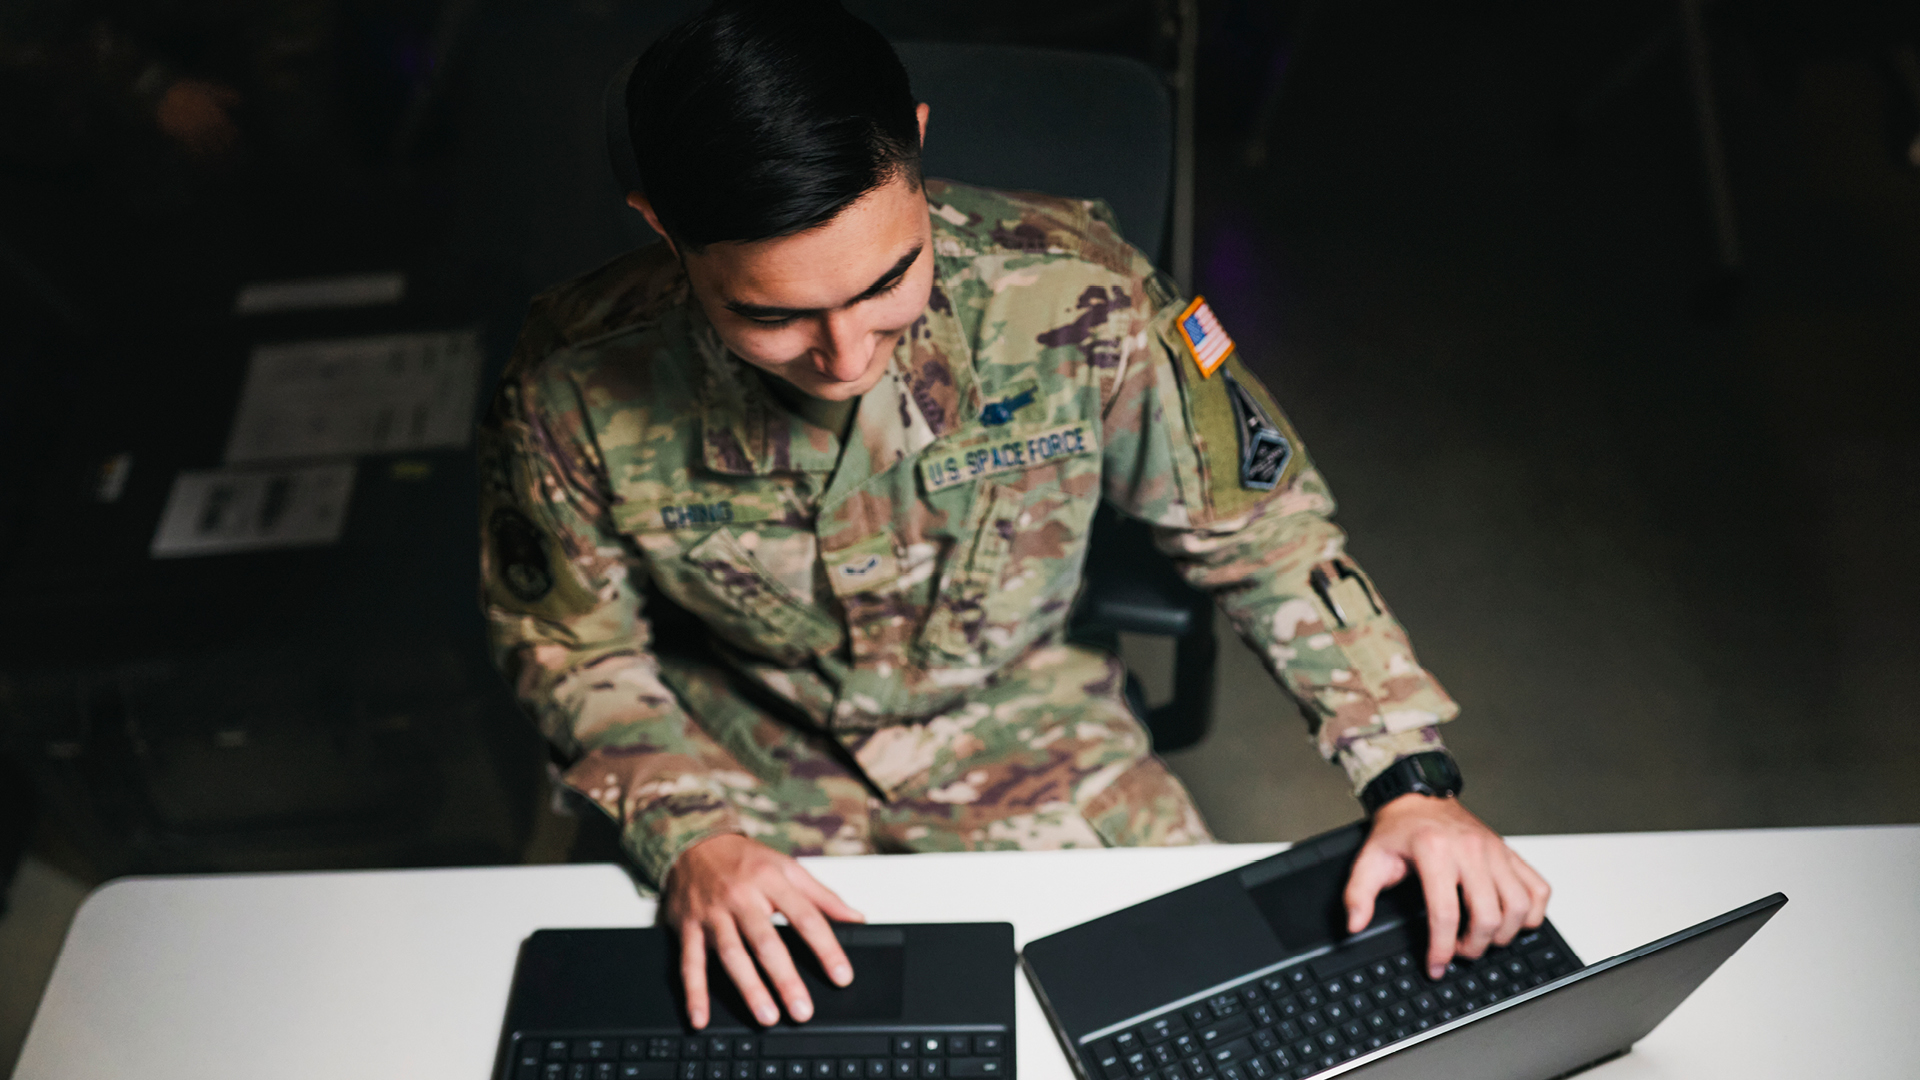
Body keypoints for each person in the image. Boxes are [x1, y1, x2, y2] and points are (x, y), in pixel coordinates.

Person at [478, 0, 1550, 1032]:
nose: (845, 357)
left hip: (1032, 735)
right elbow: (568, 643)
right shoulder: (573, 375)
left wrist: (1409, 780)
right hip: (744, 765)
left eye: (887, 281)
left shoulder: (1085, 292)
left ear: (920, 143)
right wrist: (693, 836)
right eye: (770, 313)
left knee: (1201, 1026)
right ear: (661, 226)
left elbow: (1266, 535)